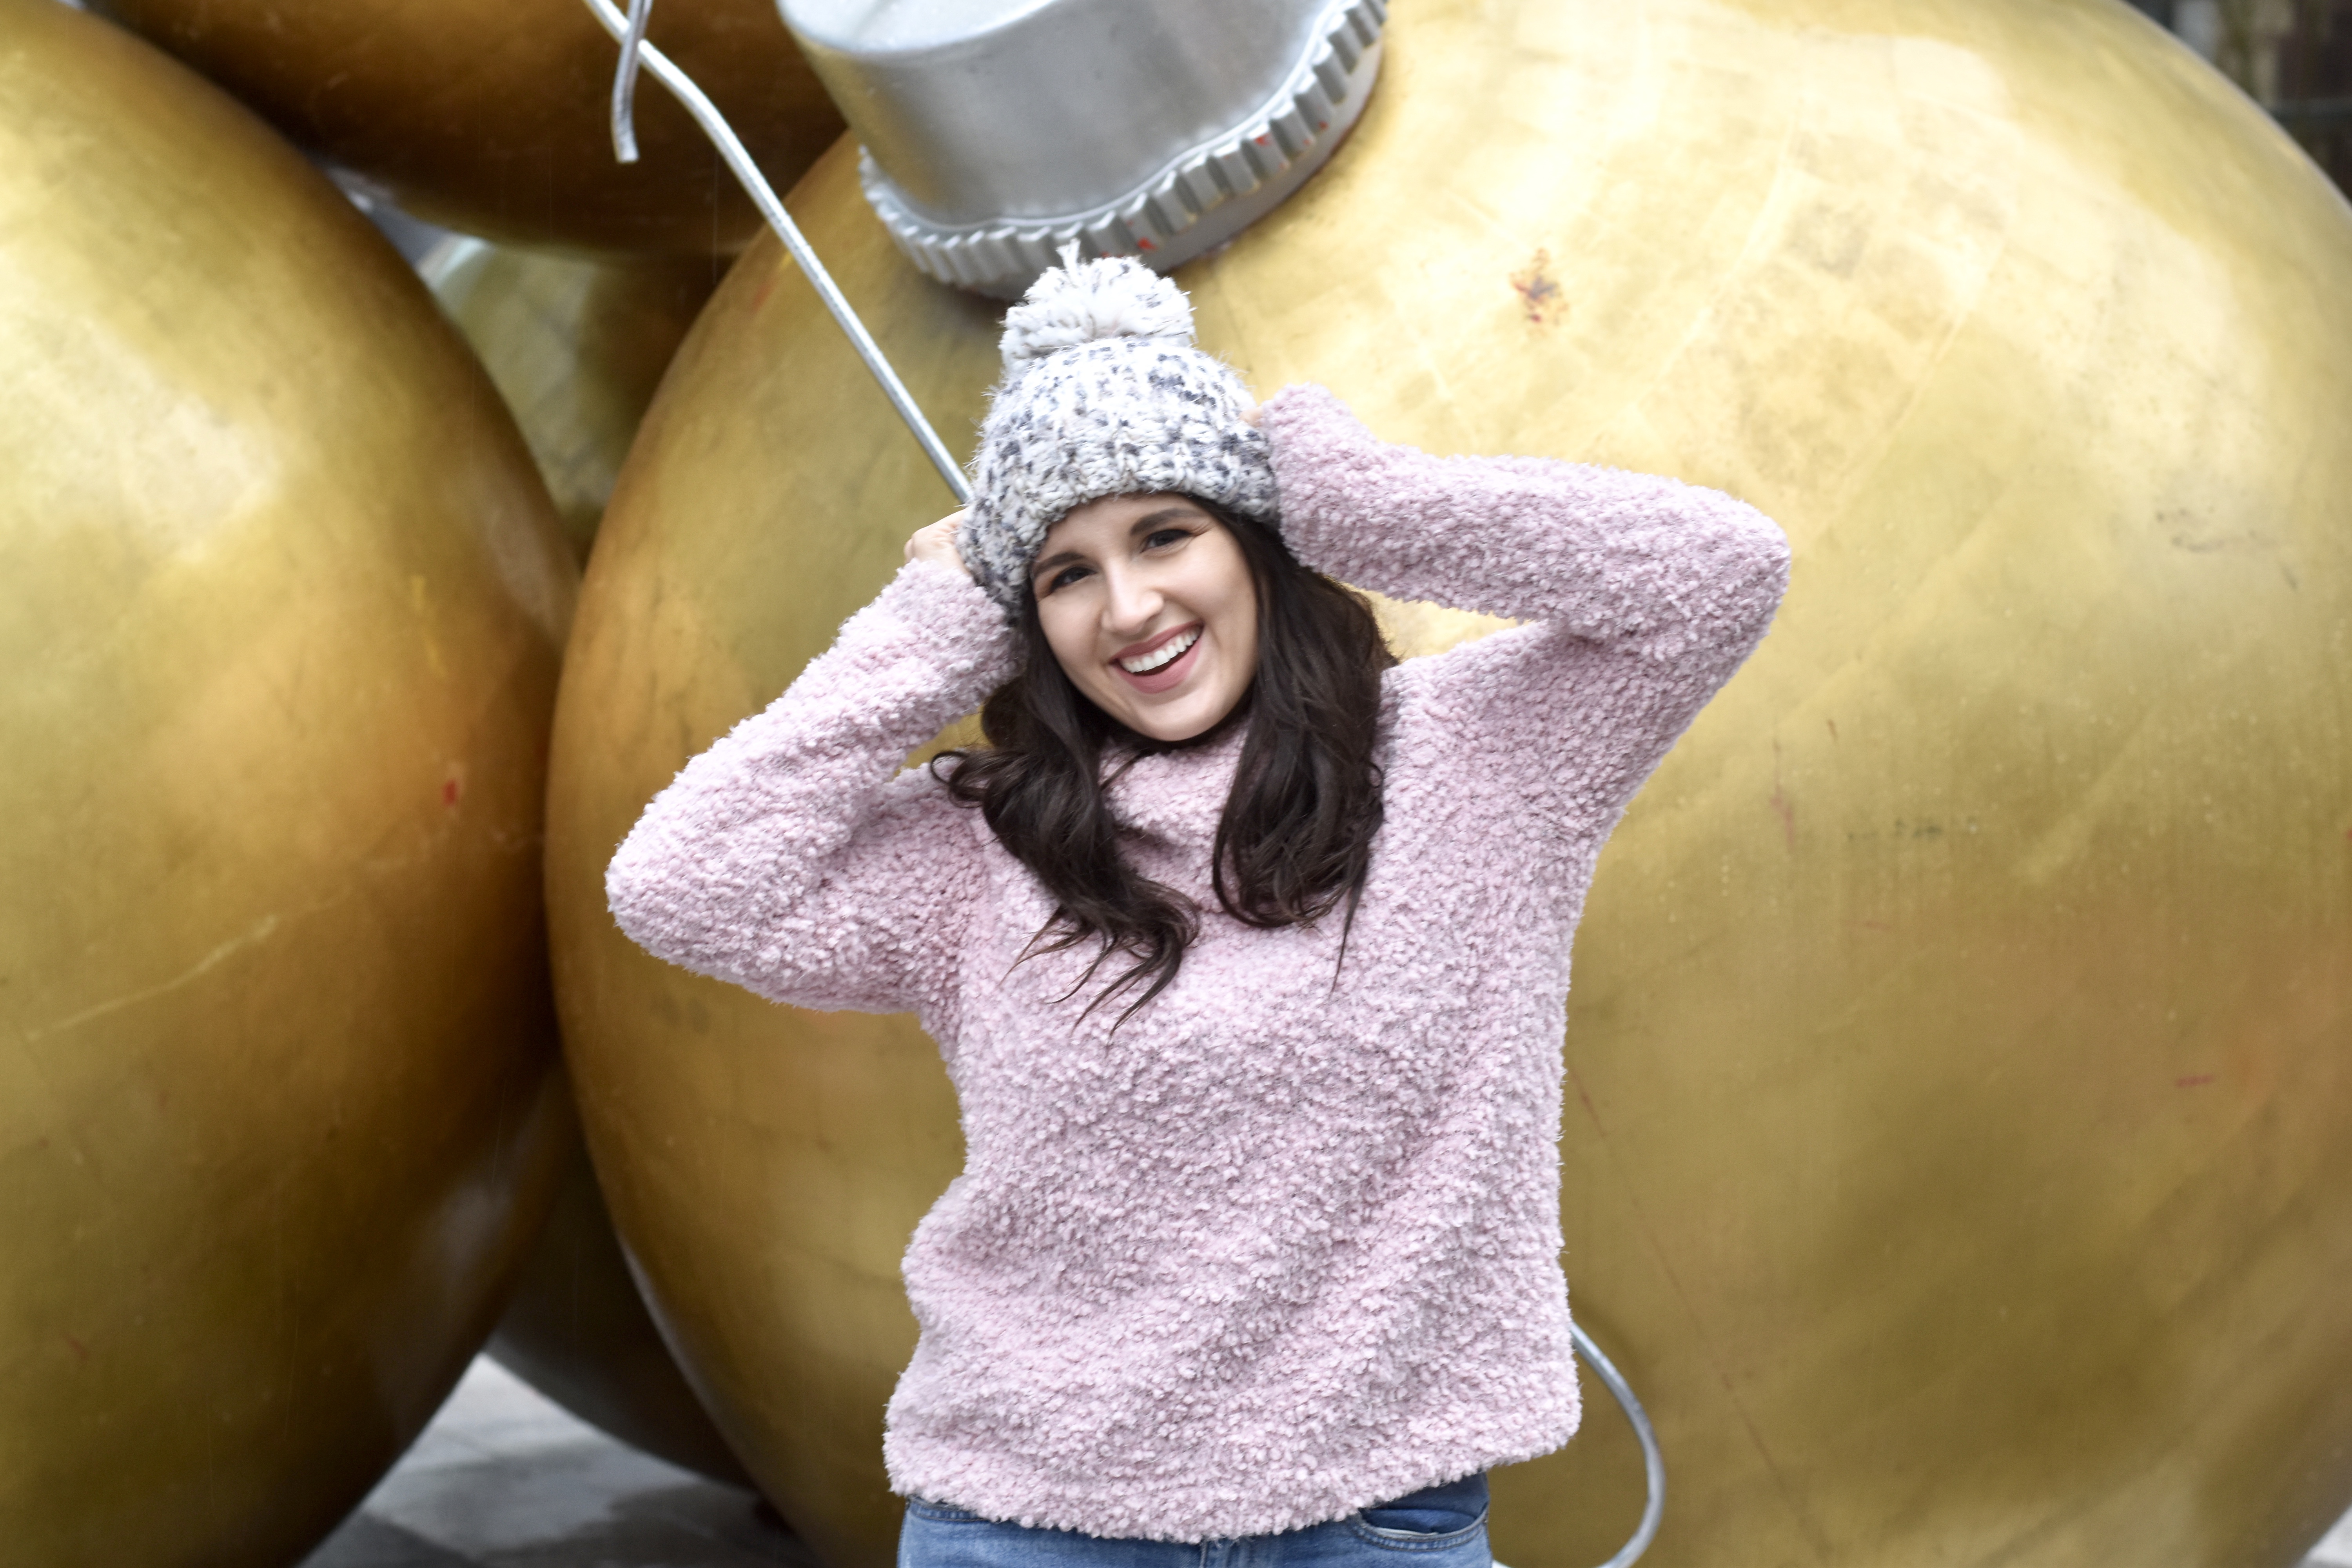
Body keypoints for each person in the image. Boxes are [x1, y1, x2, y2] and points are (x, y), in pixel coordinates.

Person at [606, 254, 1789, 1568]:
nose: (1130, 609)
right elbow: (679, 883)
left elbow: (1723, 572)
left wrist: (1364, 505)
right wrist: (929, 630)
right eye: (1063, 574)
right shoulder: (985, 848)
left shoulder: (1478, 763)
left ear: (1258, 545)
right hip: (1031, 1524)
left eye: (1167, 534)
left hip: (1373, 1525)